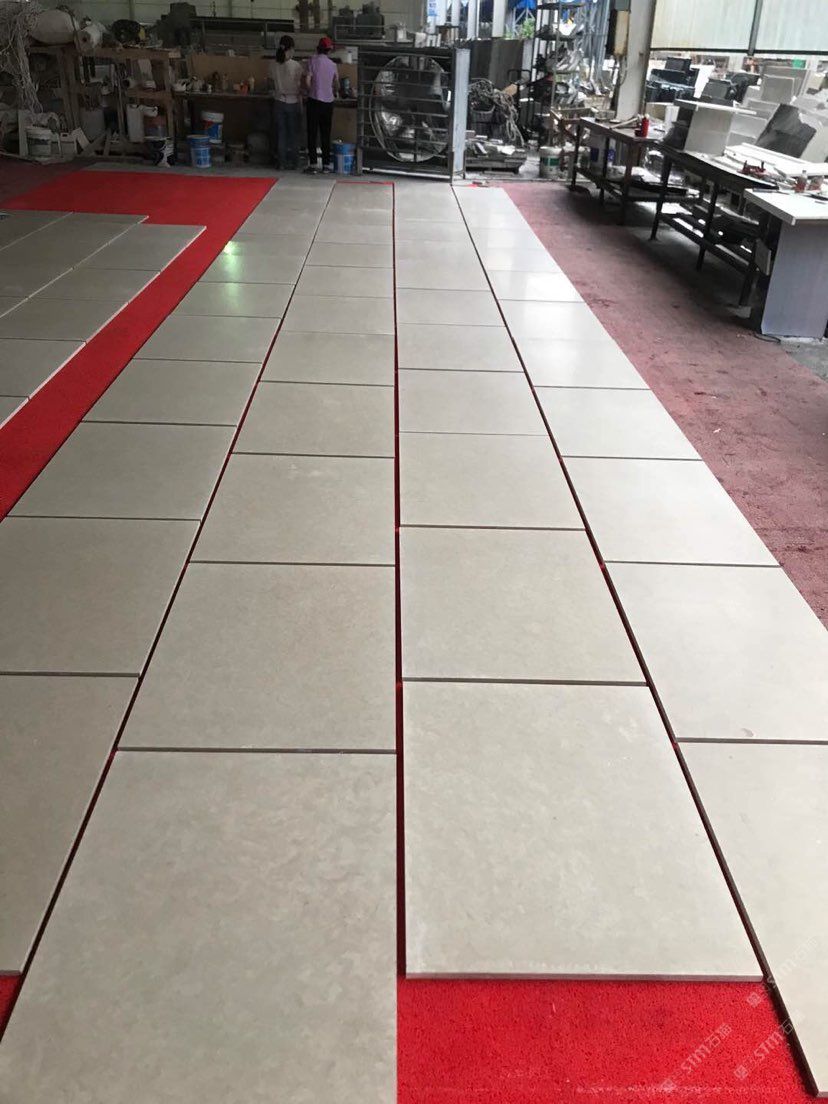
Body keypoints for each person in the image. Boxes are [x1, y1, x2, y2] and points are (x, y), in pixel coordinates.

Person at [303, 36, 338, 173]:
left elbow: (307, 81)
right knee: (326, 133)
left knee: (312, 133)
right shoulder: (333, 65)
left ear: (318, 48)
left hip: (314, 100)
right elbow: (336, 84)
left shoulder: (312, 61)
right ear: (329, 50)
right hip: (328, 103)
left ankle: (313, 164)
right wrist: (333, 92)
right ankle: (326, 165)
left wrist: (310, 90)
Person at [268, 35, 302, 170]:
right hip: (292, 102)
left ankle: (281, 163)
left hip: (278, 101)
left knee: (281, 133)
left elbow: (270, 83)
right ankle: (295, 162)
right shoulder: (296, 66)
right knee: (293, 134)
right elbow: (300, 86)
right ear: (291, 48)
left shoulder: (273, 64)